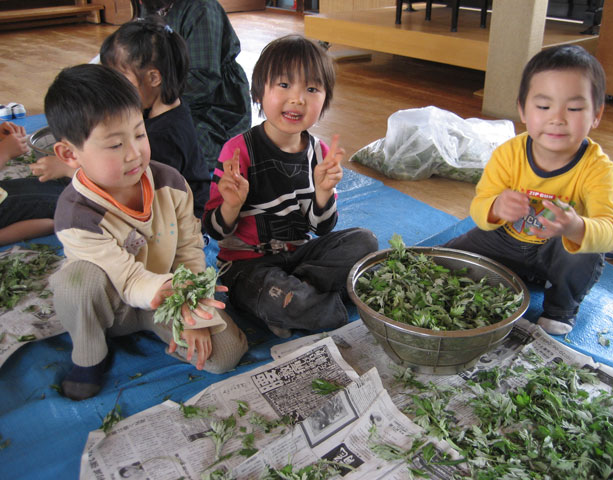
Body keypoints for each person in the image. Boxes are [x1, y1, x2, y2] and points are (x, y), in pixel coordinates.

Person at [47, 64, 248, 401]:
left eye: (139, 134)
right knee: (76, 282)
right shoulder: (75, 215)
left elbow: (190, 250)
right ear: (69, 154)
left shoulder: (171, 183)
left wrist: (192, 308)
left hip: (165, 297)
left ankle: (161, 325)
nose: (134, 153)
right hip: (112, 305)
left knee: (226, 354)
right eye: (115, 145)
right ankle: (90, 354)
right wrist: (174, 293)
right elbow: (127, 278)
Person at [203, 35, 379, 339]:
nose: (298, 99)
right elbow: (214, 231)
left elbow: (322, 229)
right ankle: (303, 300)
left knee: (365, 241)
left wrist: (323, 193)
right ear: (259, 92)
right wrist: (231, 205)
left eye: (311, 89)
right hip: (247, 265)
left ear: (325, 99)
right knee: (286, 296)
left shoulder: (319, 153)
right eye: (284, 85)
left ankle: (295, 299)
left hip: (300, 258)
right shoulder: (237, 151)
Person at [443, 45, 613, 335]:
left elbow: (612, 231)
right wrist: (495, 207)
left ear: (596, 114)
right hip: (505, 239)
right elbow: (479, 206)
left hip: (555, 251)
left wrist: (575, 227)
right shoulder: (508, 153)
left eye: (574, 109)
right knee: (446, 259)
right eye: (543, 106)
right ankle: (518, 272)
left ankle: (560, 308)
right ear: (522, 110)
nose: (557, 118)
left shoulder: (597, 167)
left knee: (586, 255)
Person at [100, 16, 211, 219]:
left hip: (186, 217)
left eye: (119, 78)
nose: (112, 87)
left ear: (153, 78)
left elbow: (138, 194)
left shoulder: (162, 137)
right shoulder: (164, 105)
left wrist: (73, 170)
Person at [140, 0, 252, 172]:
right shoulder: (152, 5)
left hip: (215, 102)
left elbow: (203, 78)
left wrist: (160, 100)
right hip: (167, 89)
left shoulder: (201, 8)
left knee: (179, 146)